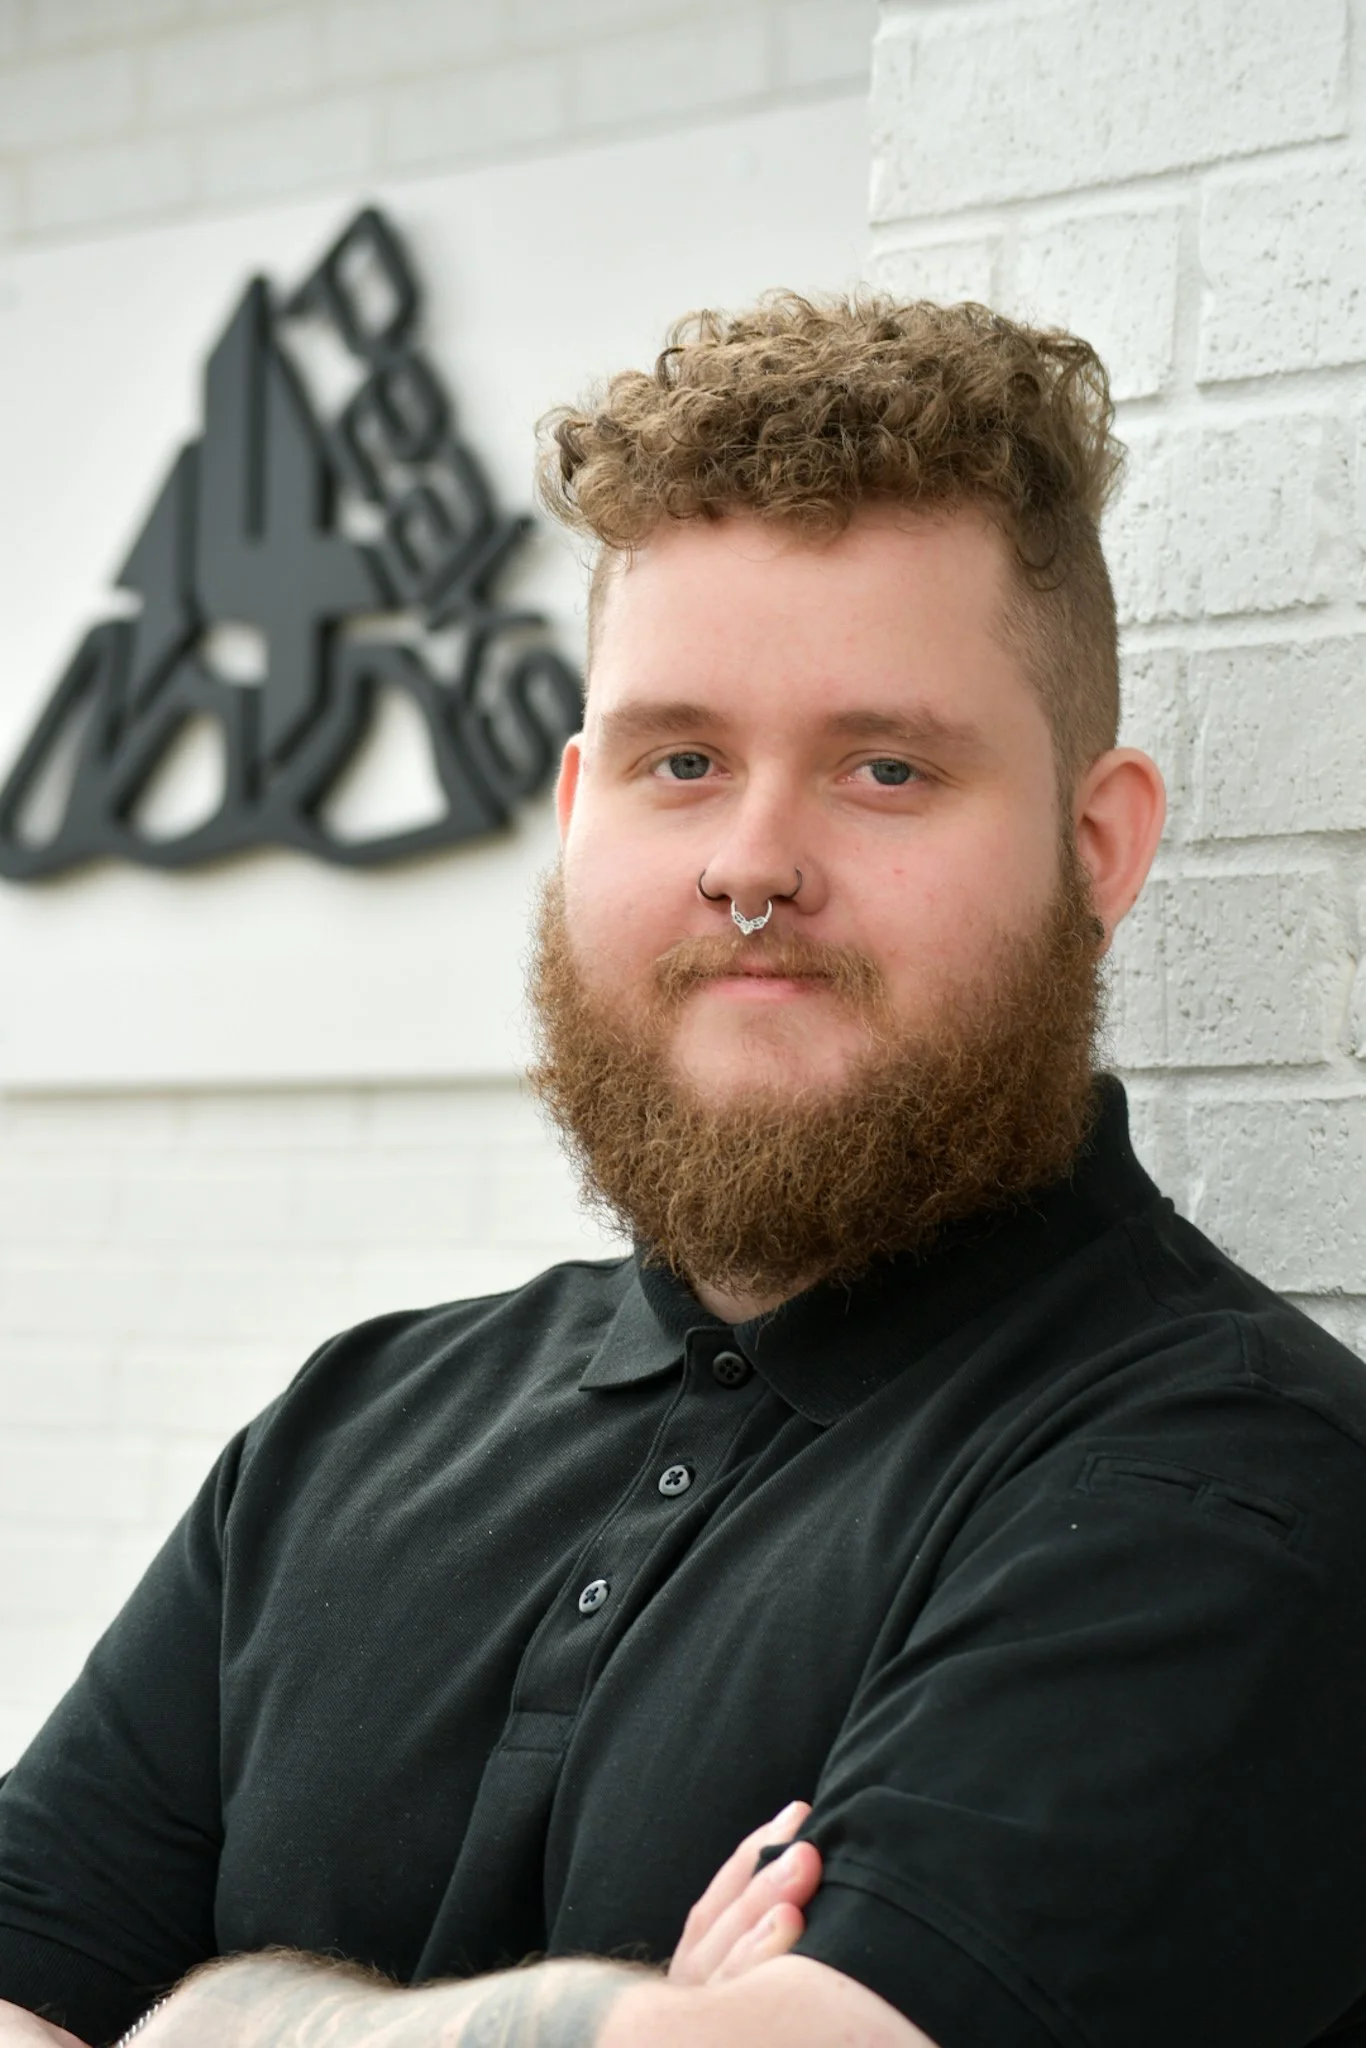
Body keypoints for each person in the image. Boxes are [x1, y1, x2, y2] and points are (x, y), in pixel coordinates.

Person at [3, 293, 1366, 2048]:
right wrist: (617, 2015)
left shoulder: (1230, 1486)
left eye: (884, 769)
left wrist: (209, 2014)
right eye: (681, 761)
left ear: (1092, 848)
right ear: (577, 808)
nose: (750, 861)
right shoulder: (347, 1431)